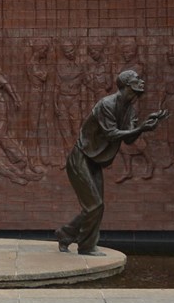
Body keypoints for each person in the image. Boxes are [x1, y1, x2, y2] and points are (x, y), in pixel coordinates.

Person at [55, 70, 167, 256]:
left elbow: (129, 140)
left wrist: (144, 128)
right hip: (80, 157)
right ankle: (82, 244)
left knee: (97, 206)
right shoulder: (107, 104)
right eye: (137, 79)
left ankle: (69, 236)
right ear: (126, 84)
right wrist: (140, 128)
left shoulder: (129, 109)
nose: (142, 81)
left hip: (94, 161)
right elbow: (112, 134)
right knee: (94, 205)